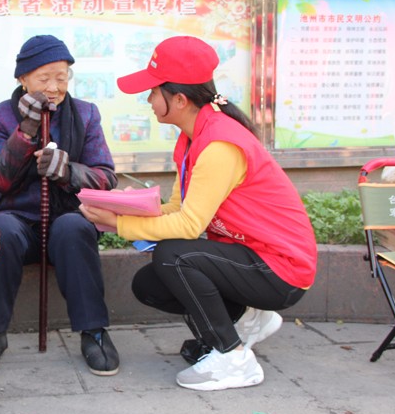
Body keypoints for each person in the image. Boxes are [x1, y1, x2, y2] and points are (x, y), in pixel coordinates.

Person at [80, 36, 317, 391]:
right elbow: (178, 207)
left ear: (178, 99)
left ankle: (233, 357)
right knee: (149, 285)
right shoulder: (193, 137)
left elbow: (190, 225)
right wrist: (120, 206)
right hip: (252, 257)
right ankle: (249, 319)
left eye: (152, 91)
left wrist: (117, 224)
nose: (147, 99)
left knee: (174, 255)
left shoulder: (219, 143)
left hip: (281, 269)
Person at [0, 34, 121, 376]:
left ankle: (93, 331)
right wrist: (24, 133)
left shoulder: (85, 114)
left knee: (72, 227)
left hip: (66, 218)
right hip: (19, 220)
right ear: (23, 79)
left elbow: (107, 177)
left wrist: (68, 171)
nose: (53, 86)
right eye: (43, 77)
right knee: (2, 230)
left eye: (61, 77)